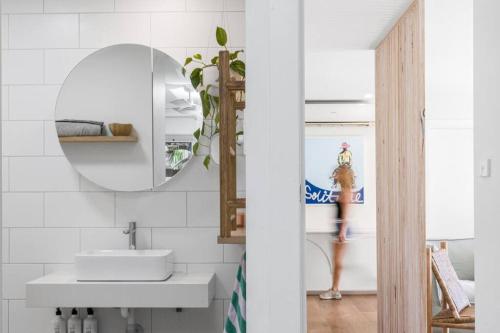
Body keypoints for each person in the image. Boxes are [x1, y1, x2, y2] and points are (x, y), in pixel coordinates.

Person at [320, 165, 353, 300]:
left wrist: (342, 232)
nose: (335, 175)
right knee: (336, 260)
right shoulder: (344, 190)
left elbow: (345, 214)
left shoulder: (346, 192)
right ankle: (334, 288)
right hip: (339, 229)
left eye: (337, 173)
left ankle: (335, 289)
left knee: (337, 261)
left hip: (341, 229)